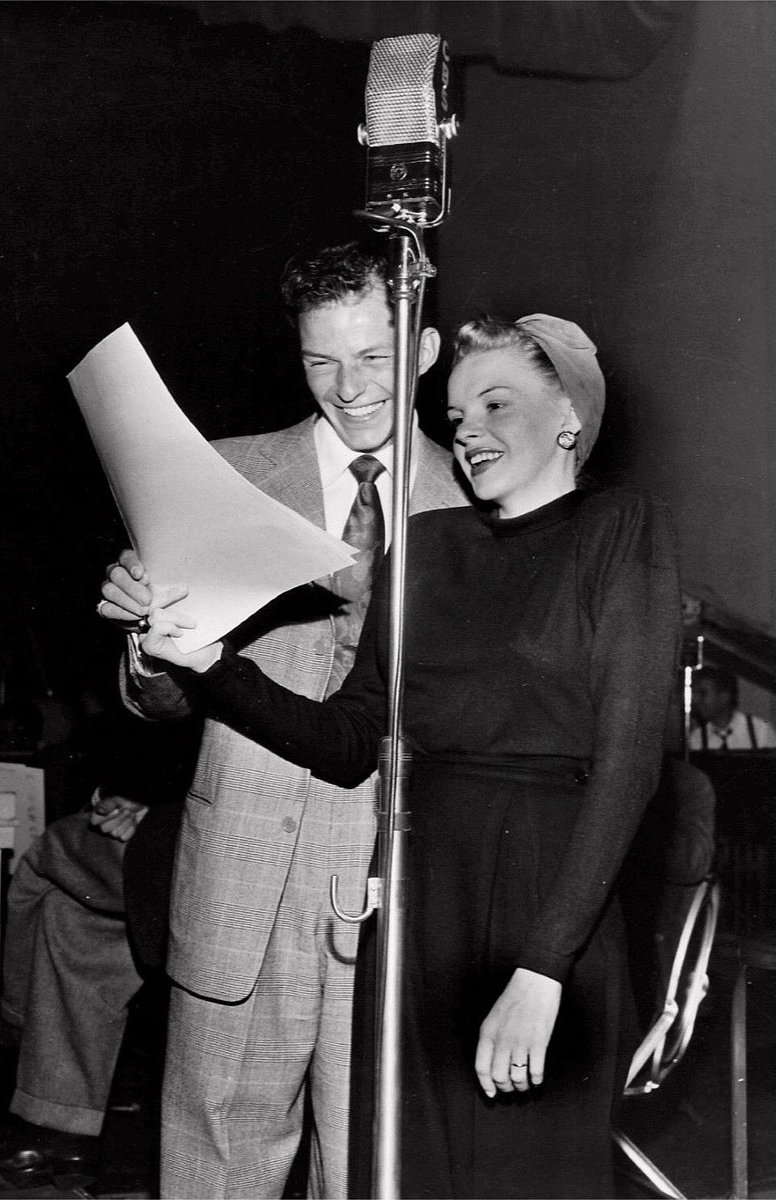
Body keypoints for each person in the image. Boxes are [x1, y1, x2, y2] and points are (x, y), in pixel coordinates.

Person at [130, 313, 682, 1199]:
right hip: (420, 905)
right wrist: (210, 664)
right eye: (456, 414)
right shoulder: (422, 549)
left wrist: (543, 968)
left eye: (497, 404)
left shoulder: (619, 527)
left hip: (549, 900)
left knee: (526, 1177)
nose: (468, 431)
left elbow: (629, 768)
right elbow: (349, 739)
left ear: (570, 416)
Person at [96, 242, 468, 1199]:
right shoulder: (223, 475)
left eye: (375, 356)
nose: (349, 388)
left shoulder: (480, 503)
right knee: (212, 1164)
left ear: (425, 351)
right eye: (320, 361)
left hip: (397, 883)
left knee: (374, 1169)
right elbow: (158, 704)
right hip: (240, 872)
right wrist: (151, 649)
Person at [0, 729, 191, 1187]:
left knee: (49, 853)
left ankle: (20, 1035)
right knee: (65, 912)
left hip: (218, 850)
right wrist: (133, 807)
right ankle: (65, 1127)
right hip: (176, 837)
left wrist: (155, 820)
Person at [688, 664, 776, 750]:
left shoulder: (760, 732)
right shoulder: (696, 738)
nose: (695, 700)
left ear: (724, 696)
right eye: (694, 693)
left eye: (702, 693)